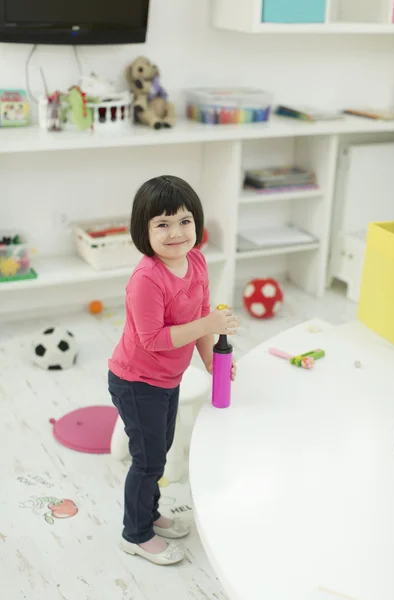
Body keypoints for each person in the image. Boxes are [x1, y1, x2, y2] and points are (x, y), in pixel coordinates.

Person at [108, 175, 239, 566]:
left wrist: (212, 366)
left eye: (184, 221)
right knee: (148, 461)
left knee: (158, 454)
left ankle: (148, 515)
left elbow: (201, 315)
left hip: (167, 380)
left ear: (197, 224)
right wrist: (207, 328)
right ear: (143, 231)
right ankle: (135, 534)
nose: (176, 232)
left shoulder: (196, 261)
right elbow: (154, 340)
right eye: (162, 224)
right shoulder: (146, 280)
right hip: (136, 382)